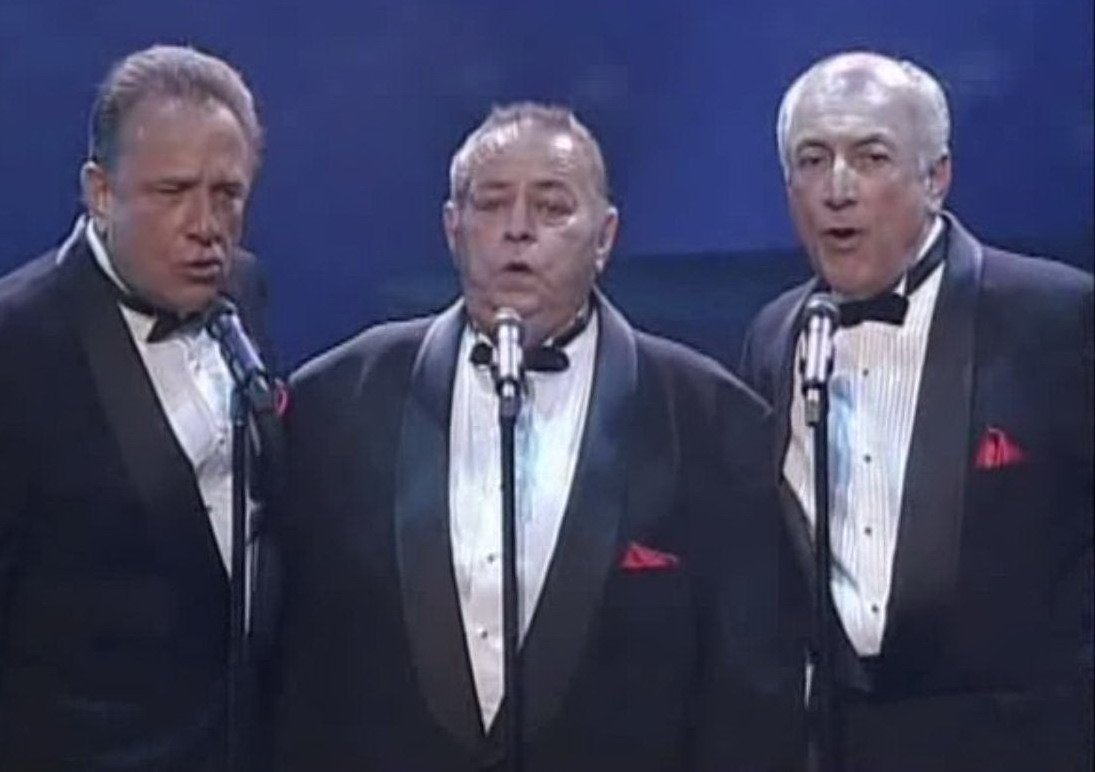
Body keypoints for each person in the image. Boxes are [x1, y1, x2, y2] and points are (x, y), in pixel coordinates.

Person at [270, 102, 801, 771]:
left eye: (552, 208)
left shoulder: (712, 421)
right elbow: (300, 671)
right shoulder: (337, 401)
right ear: (452, 228)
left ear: (604, 238)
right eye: (491, 204)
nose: (517, 230)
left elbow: (747, 700)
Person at [740, 51, 1093, 772]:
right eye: (812, 160)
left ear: (936, 178)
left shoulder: (1057, 319)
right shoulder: (774, 338)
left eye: (870, 157)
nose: (837, 189)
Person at [0, 44, 273, 771]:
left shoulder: (243, 291)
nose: (206, 224)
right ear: (100, 192)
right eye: (173, 191)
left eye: (227, 194)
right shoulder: (16, 344)